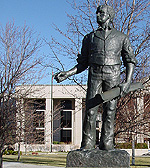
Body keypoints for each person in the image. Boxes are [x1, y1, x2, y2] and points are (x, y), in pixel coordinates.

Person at [54, 5, 137, 150]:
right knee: (91, 110)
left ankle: (107, 143)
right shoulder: (89, 38)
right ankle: (87, 143)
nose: (98, 15)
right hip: (95, 75)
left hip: (113, 75)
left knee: (110, 110)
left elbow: (129, 60)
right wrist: (67, 73)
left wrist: (128, 81)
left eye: (101, 13)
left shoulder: (121, 37)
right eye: (97, 12)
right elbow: (82, 63)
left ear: (109, 16)